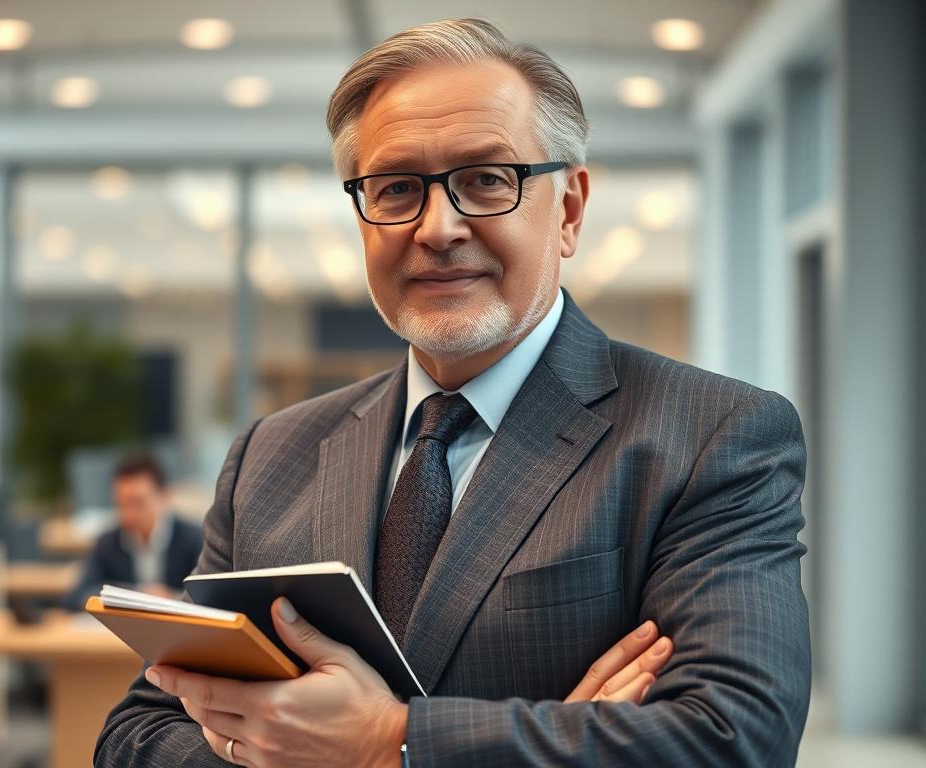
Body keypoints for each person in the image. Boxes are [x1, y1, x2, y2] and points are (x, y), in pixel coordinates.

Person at [96, 18, 810, 767]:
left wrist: (387, 742)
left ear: (568, 210)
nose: (438, 228)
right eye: (397, 188)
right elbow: (137, 735)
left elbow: (733, 738)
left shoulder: (711, 436)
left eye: (486, 180)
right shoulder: (272, 456)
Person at [64, 454, 203, 611]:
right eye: (121, 504)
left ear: (165, 496)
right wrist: (137, 595)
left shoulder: (194, 539)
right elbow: (77, 595)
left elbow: (207, 599)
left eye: (138, 503)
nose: (129, 514)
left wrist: (173, 598)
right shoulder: (108, 543)